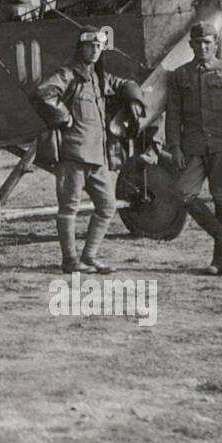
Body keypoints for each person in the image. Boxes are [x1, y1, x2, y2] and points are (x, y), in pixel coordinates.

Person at [34, 26, 146, 274]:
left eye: (99, 46)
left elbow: (124, 83)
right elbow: (43, 93)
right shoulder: (68, 74)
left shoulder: (98, 77)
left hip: (97, 156)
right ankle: (70, 260)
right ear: (80, 47)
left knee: (107, 206)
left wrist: (135, 100)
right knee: (69, 208)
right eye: (90, 46)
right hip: (73, 154)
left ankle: (90, 256)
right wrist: (63, 116)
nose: (95, 51)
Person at [165, 22, 222, 275]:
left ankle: (221, 259)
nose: (202, 47)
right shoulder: (180, 75)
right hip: (192, 146)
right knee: (183, 194)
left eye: (207, 42)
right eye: (197, 42)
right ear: (190, 45)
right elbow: (173, 114)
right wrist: (175, 146)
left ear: (215, 44)